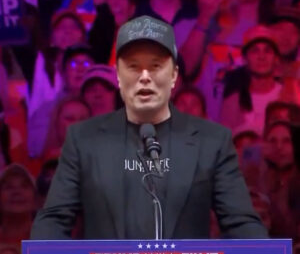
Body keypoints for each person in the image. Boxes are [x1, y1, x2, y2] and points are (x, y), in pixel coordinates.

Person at [31, 15, 267, 240]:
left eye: (155, 66)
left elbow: (242, 224)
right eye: (133, 66)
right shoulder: (83, 139)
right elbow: (53, 220)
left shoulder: (213, 141)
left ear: (174, 76)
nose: (145, 77)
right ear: (120, 78)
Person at [220, 25, 282, 135]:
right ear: (244, 59)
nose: (261, 57)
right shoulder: (233, 102)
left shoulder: (289, 96)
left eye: (267, 51)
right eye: (255, 51)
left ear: (276, 59)